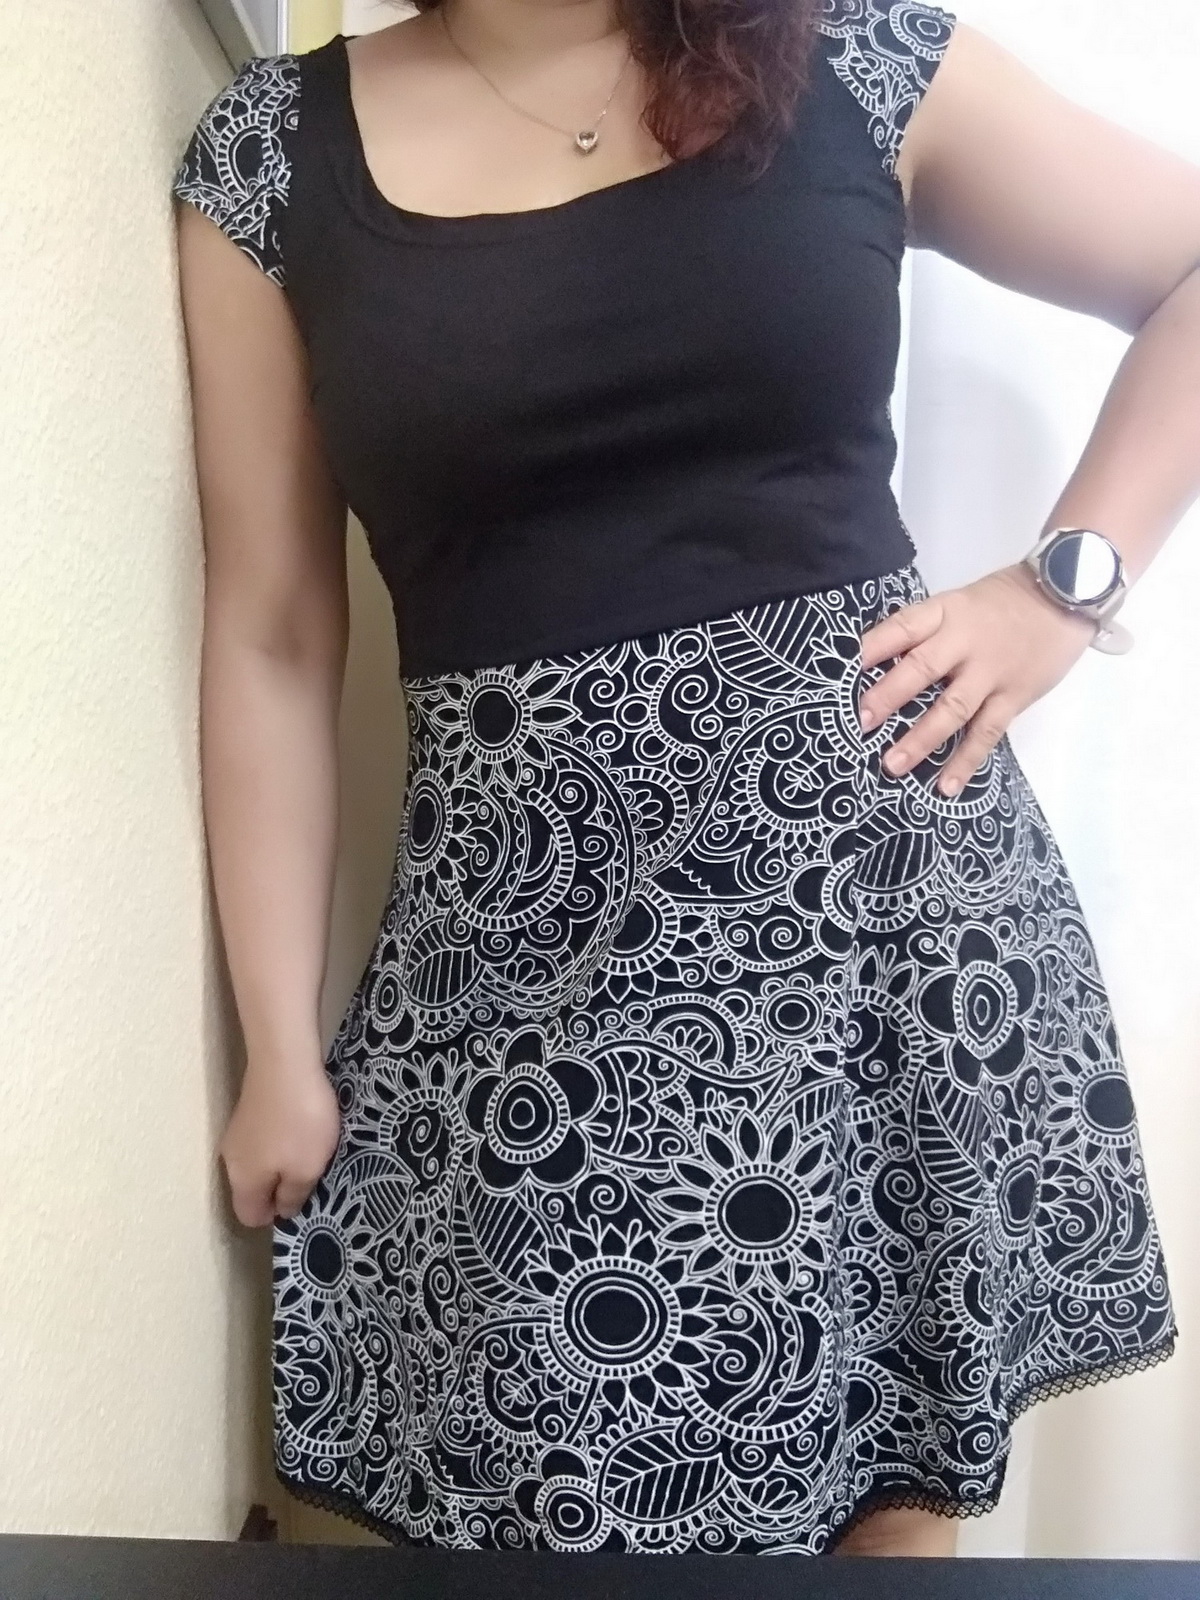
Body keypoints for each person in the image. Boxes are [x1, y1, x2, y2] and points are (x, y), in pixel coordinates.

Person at [172, 0, 1199, 1558]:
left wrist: (1061, 593)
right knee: (548, 1486)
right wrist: (275, 1048)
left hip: (877, 928)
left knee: (886, 1498)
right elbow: (270, 632)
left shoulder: (850, 52)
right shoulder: (271, 160)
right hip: (524, 974)